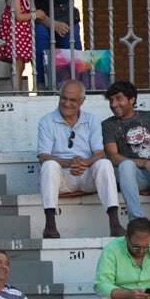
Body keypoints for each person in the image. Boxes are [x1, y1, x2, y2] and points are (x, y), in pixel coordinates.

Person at [38, 80, 123, 240]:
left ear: (82, 101)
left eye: (73, 100)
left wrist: (85, 163)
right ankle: (50, 225)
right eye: (63, 98)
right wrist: (70, 163)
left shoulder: (92, 120)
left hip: (86, 175)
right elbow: (44, 156)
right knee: (49, 165)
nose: (67, 103)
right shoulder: (46, 121)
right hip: (62, 177)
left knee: (104, 164)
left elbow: (99, 153)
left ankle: (114, 222)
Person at [101, 80, 150, 221]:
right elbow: (113, 156)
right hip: (134, 176)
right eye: (111, 100)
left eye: (118, 99)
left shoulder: (148, 117)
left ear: (132, 100)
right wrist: (145, 163)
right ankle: (137, 220)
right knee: (126, 165)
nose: (113, 104)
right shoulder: (108, 125)